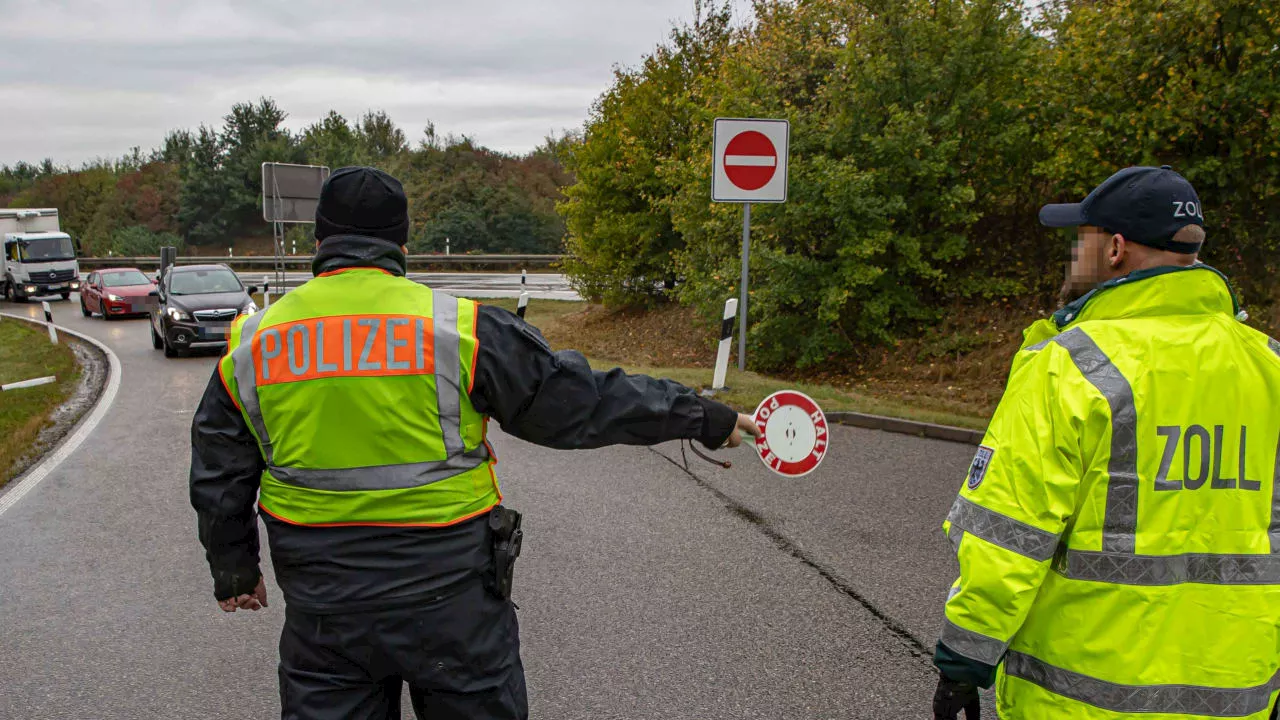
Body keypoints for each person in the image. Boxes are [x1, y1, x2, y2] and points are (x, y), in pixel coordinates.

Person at [189, 166, 760, 720]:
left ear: (319, 241)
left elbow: (219, 464)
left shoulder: (254, 340)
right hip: (452, 602)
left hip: (324, 608)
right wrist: (703, 417)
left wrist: (235, 568)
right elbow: (580, 402)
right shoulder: (456, 329)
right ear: (403, 246)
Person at [931, 166, 1280, 720]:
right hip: (1238, 698)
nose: (1075, 254)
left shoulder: (1070, 366)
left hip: (1081, 699)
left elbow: (1009, 539)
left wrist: (963, 663)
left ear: (1115, 249)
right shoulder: (1268, 366)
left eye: (1083, 240)